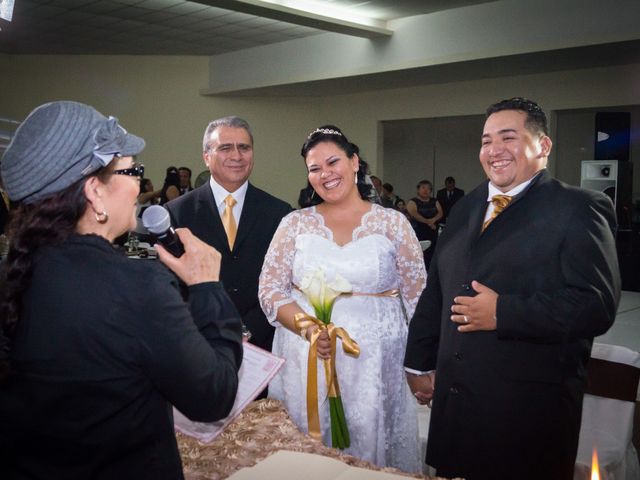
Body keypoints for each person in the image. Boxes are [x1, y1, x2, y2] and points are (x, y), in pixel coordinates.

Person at [0, 102, 243, 479]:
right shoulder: (136, 286)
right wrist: (207, 286)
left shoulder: (15, 271)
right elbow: (213, 396)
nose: (139, 187)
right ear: (95, 192)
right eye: (133, 171)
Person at [404, 97, 621, 480]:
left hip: (527, 413)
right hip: (458, 406)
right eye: (486, 141)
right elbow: (437, 285)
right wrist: (419, 362)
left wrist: (503, 312)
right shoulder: (467, 206)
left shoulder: (578, 208)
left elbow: (595, 304)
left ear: (544, 146)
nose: (494, 150)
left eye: (508, 137)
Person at [258, 125, 427, 472]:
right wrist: (308, 329)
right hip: (308, 356)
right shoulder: (293, 224)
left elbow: (418, 298)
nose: (325, 174)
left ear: (354, 162)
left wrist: (423, 364)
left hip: (377, 360)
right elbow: (270, 289)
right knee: (311, 453)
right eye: (314, 168)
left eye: (332, 162)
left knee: (369, 449)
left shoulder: (393, 224)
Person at [166, 116, 291, 356]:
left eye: (244, 147)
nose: (237, 155)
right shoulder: (177, 212)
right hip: (198, 344)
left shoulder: (280, 213)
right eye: (225, 148)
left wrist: (248, 329)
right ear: (206, 156)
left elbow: (285, 282)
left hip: (262, 345)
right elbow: (172, 285)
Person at [407, 179, 443, 270]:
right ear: (418, 189)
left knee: (432, 253)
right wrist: (428, 222)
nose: (425, 190)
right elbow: (414, 213)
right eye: (423, 188)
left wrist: (433, 220)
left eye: (428, 189)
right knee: (420, 253)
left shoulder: (434, 201)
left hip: (432, 230)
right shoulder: (413, 201)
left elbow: (440, 213)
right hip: (419, 230)